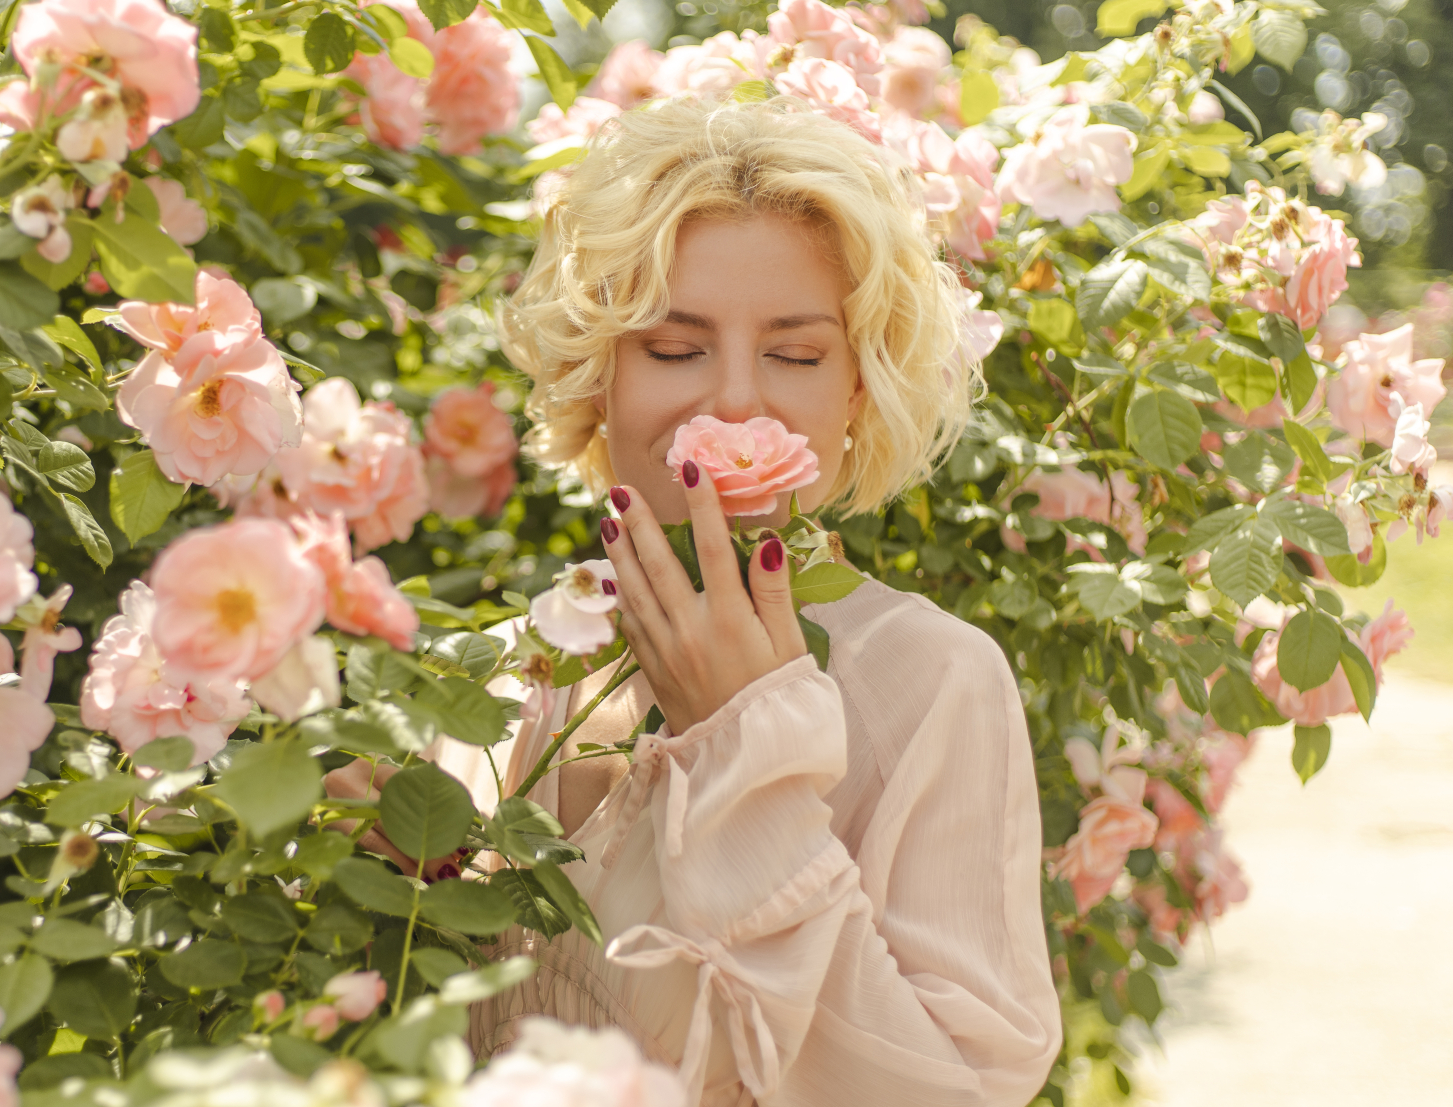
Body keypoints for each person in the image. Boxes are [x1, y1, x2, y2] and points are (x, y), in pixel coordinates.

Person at [438, 96, 1064, 1104]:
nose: (732, 401)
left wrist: (747, 749)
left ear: (857, 390)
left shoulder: (932, 684)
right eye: (673, 348)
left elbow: (956, 1089)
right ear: (595, 376)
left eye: (795, 353)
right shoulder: (504, 675)